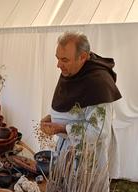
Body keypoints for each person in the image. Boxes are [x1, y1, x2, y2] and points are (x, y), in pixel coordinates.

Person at [40, 31, 122, 170]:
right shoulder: (72, 69)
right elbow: (69, 103)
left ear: (83, 57)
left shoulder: (98, 83)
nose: (58, 65)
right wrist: (52, 117)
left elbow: (99, 130)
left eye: (64, 59)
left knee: (81, 191)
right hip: (67, 149)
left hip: (86, 158)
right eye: (57, 58)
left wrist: (62, 128)